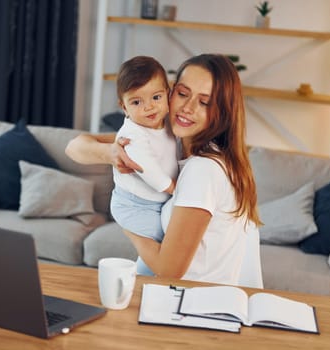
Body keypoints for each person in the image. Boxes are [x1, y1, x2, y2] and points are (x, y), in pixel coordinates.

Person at [66, 54, 263, 287]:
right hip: (175, 297)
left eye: (204, 102)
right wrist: (112, 154)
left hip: (188, 303)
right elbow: (75, 146)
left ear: (222, 110)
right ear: (170, 92)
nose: (187, 108)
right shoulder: (170, 137)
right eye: (183, 93)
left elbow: (170, 270)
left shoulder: (202, 169)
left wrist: (127, 224)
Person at [109, 56, 178, 276]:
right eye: (137, 102)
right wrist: (173, 188)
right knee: (166, 240)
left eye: (156, 97)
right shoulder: (132, 135)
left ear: (168, 94)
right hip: (133, 206)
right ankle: (144, 280)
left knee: (160, 248)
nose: (149, 107)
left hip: (154, 203)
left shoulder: (168, 125)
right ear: (124, 107)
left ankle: (141, 279)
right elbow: (146, 168)